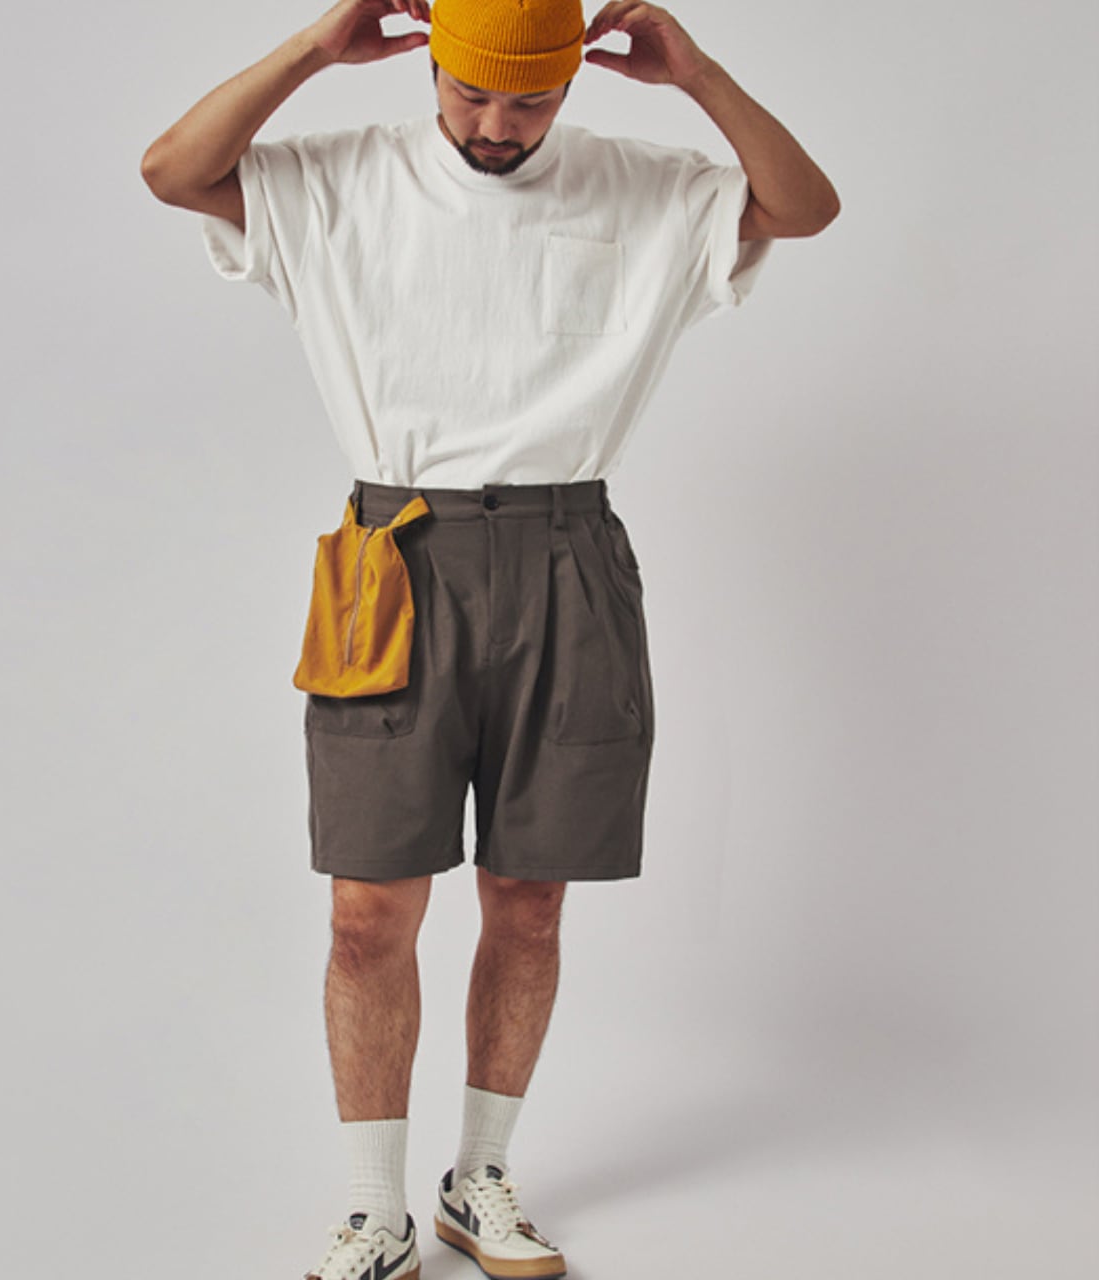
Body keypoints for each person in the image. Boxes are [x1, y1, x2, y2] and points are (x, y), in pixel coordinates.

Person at [141, 1, 838, 1276]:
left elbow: (803, 207)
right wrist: (311, 50)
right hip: (390, 554)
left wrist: (695, 75)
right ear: (433, 62)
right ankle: (376, 1208)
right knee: (367, 907)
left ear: (573, 82)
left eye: (530, 102)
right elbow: (171, 171)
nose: (496, 127)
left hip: (568, 551)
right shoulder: (341, 181)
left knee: (527, 898)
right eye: (471, 95)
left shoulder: (643, 186)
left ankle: (480, 1178)